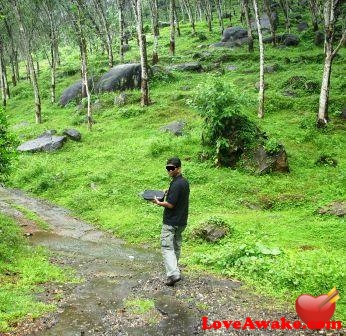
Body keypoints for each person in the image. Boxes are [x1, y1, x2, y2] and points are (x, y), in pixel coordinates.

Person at [152, 157, 190, 286]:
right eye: (167, 168)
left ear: (178, 168)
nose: (169, 170)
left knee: (167, 247)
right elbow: (179, 196)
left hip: (171, 221)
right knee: (176, 246)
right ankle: (175, 271)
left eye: (171, 168)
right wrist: (169, 191)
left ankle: (173, 274)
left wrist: (158, 202)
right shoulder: (184, 182)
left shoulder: (176, 183)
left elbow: (170, 204)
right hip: (182, 221)